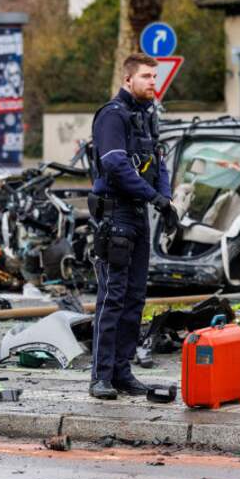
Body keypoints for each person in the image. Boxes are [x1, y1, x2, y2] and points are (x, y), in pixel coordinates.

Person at [87, 53, 179, 400]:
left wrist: (165, 200)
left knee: (135, 298)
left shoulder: (145, 117)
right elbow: (116, 167)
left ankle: (122, 372)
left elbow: (159, 163)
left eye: (155, 77)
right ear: (128, 80)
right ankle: (101, 376)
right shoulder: (112, 116)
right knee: (112, 297)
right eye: (146, 77)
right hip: (117, 216)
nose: (153, 83)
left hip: (139, 214)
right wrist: (155, 198)